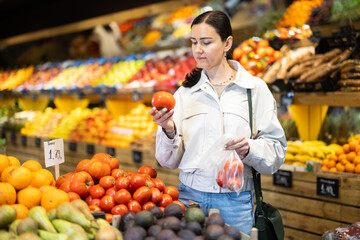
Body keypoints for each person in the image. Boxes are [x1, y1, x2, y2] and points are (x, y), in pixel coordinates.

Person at [149, 10, 287, 235]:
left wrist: (249, 149)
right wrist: (169, 131)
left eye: (206, 42)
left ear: (227, 43)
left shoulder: (254, 90)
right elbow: (166, 161)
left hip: (235, 202)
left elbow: (276, 153)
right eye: (194, 42)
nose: (198, 50)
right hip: (189, 199)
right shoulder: (185, 93)